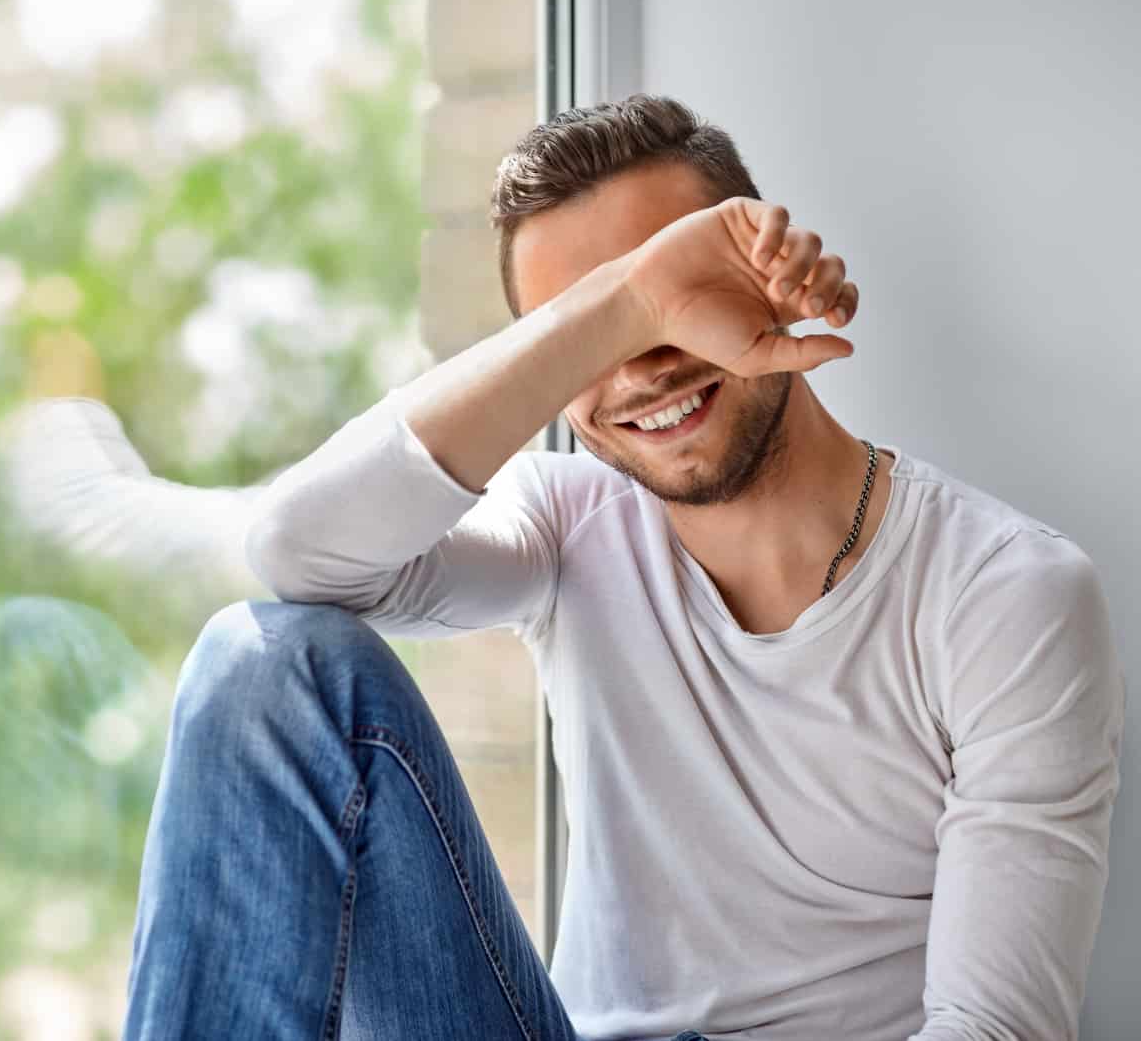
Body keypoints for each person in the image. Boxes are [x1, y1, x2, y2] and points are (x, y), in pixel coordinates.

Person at [121, 94, 1125, 1040]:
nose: (642, 367)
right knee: (259, 667)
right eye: (593, 332)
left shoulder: (1002, 594)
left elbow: (994, 1030)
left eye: (673, 301)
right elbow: (296, 555)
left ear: (764, 282)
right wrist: (628, 298)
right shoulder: (569, 524)